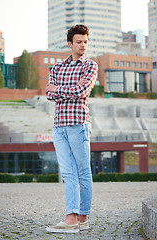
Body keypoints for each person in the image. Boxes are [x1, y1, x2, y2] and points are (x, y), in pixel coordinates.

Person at [45, 24, 98, 234]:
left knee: (83, 172)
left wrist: (58, 89)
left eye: (85, 41)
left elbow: (82, 90)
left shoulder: (90, 66)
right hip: (59, 126)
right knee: (68, 172)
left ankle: (80, 217)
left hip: (79, 125)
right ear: (70, 43)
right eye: (79, 42)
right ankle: (73, 217)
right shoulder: (57, 67)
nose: (83, 45)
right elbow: (49, 94)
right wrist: (63, 91)